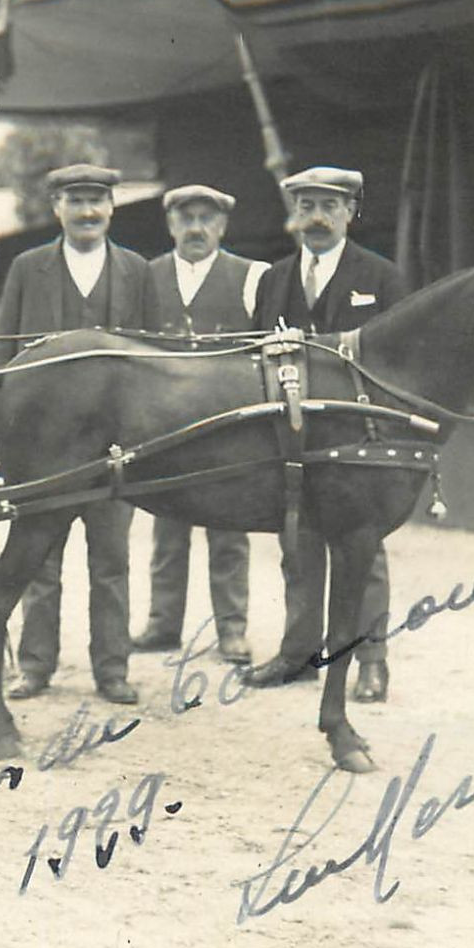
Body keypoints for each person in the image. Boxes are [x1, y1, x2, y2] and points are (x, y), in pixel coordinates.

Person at [0, 163, 156, 705]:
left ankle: (112, 670)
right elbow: (3, 353)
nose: (87, 211)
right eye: (75, 200)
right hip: (43, 449)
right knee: (40, 558)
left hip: (115, 448)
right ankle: (36, 665)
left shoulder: (137, 270)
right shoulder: (26, 268)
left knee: (111, 561)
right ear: (56, 207)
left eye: (97, 200)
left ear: (112, 207)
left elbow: (155, 359)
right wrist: (2, 428)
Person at [246, 166, 407, 702]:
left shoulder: (381, 278)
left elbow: (396, 365)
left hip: (359, 438)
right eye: (306, 206)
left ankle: (371, 660)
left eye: (329, 207)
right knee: (297, 541)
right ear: (293, 215)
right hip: (291, 438)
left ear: (350, 213)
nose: (316, 218)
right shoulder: (273, 281)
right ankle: (298, 654)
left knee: (363, 547)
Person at [132, 184, 270, 664]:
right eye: (185, 218)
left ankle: (232, 629)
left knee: (229, 530)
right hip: (163, 423)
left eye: (206, 218)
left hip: (229, 427)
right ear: (170, 225)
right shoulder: (146, 277)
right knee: (166, 526)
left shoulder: (253, 277)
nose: (195, 227)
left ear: (223, 226)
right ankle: (162, 623)